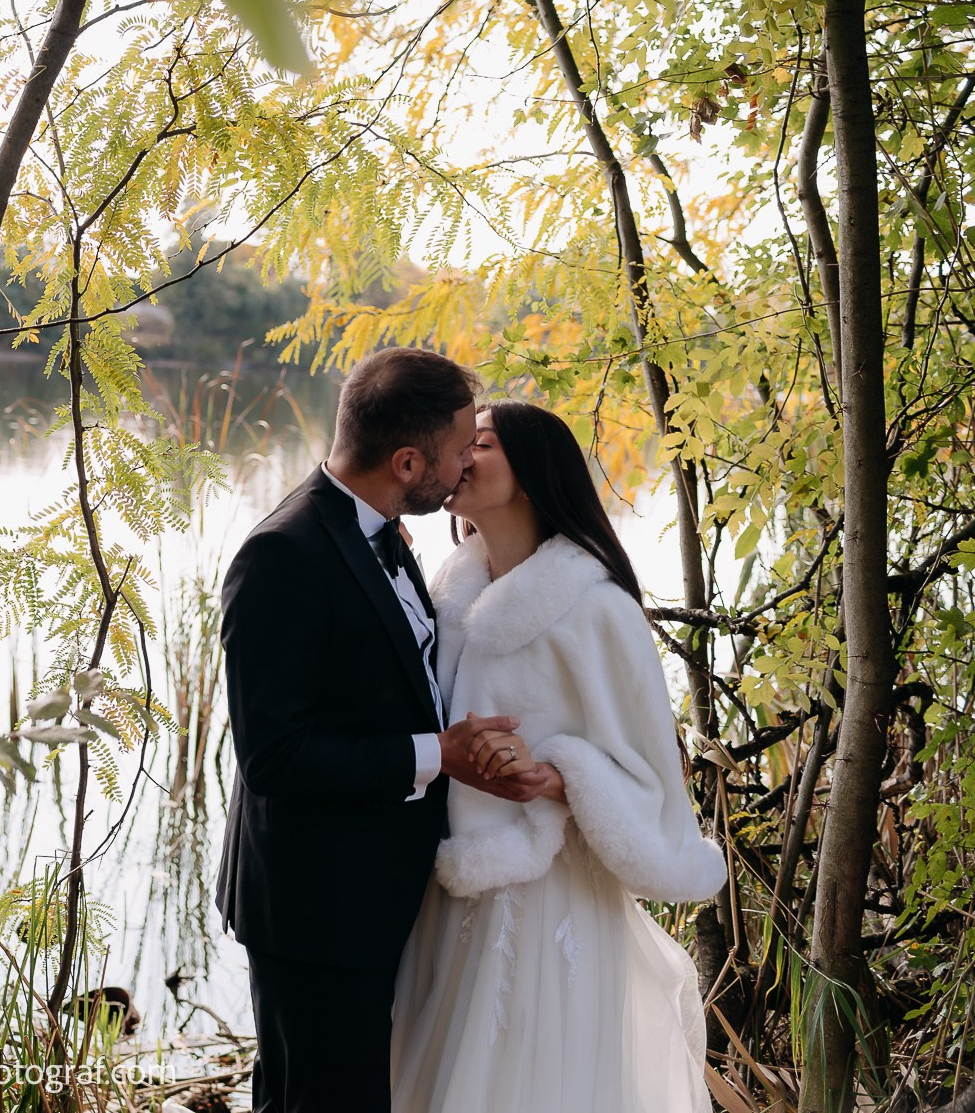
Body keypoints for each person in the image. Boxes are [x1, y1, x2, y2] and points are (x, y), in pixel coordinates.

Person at [214, 348, 552, 1113]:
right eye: (462, 445)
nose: (469, 460)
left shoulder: (386, 531)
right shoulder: (282, 556)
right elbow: (275, 754)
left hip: (372, 895)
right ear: (407, 460)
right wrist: (441, 755)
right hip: (313, 908)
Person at [390, 401, 726, 1112]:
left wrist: (559, 773)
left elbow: (652, 774)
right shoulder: (447, 592)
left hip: (549, 897)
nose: (459, 455)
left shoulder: (597, 608)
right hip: (447, 889)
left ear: (533, 470)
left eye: (479, 442)